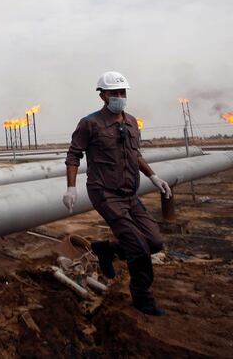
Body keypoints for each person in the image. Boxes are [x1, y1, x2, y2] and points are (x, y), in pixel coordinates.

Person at [62, 71, 172, 316]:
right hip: (104, 193)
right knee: (139, 247)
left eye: (123, 93)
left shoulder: (132, 122)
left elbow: (136, 155)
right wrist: (71, 188)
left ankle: (107, 249)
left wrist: (153, 176)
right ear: (103, 96)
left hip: (129, 194)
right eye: (114, 93)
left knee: (154, 242)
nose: (120, 97)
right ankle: (143, 298)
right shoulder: (89, 123)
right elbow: (73, 156)